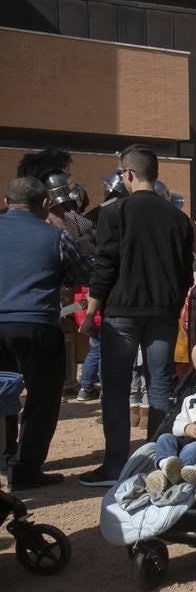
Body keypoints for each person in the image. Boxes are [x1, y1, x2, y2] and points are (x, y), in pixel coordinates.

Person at [79, 146, 195, 487]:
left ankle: (115, 464)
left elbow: (105, 265)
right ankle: (156, 460)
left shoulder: (115, 213)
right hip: (163, 312)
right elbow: (184, 272)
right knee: (160, 385)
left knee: (115, 388)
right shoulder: (178, 218)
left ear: (127, 174)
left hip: (122, 311)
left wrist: (91, 310)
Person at [0, 176, 88, 489]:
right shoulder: (55, 235)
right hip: (36, 322)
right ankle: (24, 469)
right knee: (42, 399)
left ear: (7, 201)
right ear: (44, 205)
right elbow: (81, 273)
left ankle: (3, 454)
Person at [143, 385, 196, 494]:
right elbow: (177, 426)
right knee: (165, 438)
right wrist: (187, 428)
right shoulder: (191, 399)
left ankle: (164, 476)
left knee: (194, 448)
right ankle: (165, 465)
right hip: (185, 440)